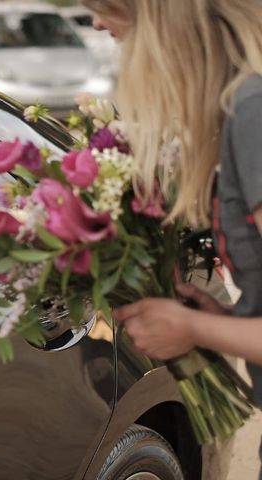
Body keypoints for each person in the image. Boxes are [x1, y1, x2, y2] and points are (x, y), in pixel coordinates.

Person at [83, 0, 262, 473]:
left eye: (103, 6)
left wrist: (192, 329)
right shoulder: (240, 108)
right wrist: (225, 316)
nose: (96, 22)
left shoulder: (252, 114)